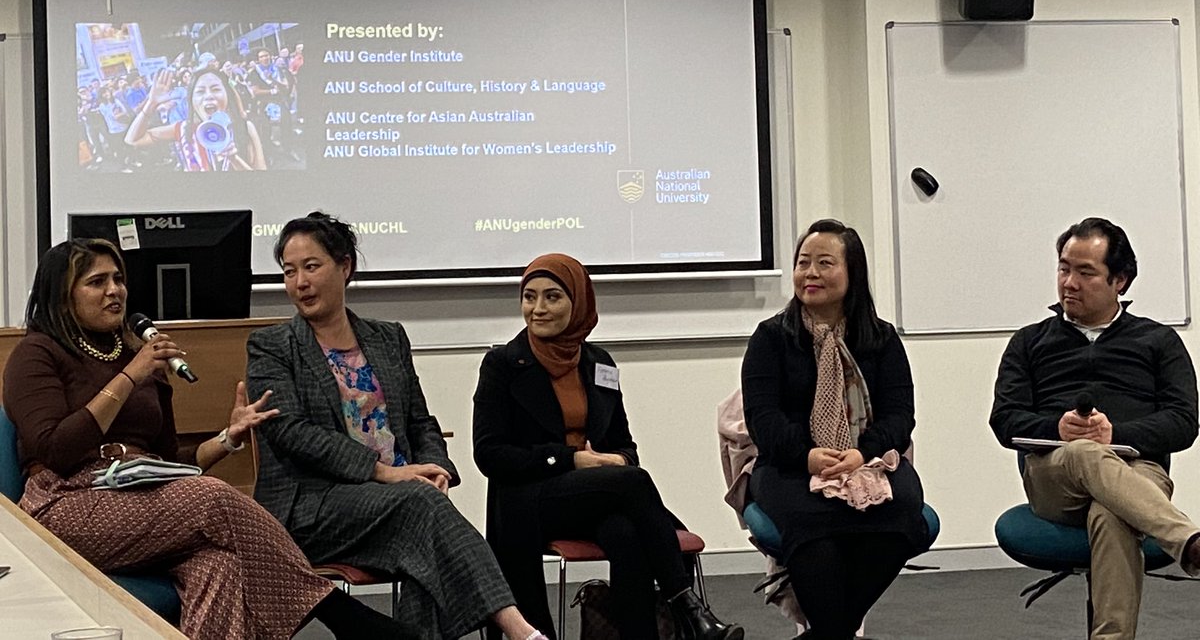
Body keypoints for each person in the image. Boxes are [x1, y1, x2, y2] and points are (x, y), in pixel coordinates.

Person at [2, 238, 417, 640]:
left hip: (140, 491)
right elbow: (53, 449)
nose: (115, 291)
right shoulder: (38, 353)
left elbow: (167, 462)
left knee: (219, 567)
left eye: (119, 279)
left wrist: (227, 438)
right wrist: (129, 377)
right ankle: (340, 614)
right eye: (97, 282)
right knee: (213, 499)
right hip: (66, 503)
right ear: (62, 295)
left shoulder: (138, 356)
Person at [246, 212, 547, 640]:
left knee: (422, 542)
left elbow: (420, 419)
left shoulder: (388, 337)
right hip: (312, 507)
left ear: (344, 266)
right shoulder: (271, 346)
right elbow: (291, 432)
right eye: (289, 272)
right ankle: (520, 630)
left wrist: (435, 466)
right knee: (419, 510)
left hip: (395, 504)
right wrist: (386, 473)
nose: (299, 283)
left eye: (311, 267)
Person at [473, 253, 743, 640]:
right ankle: (687, 606)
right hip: (528, 499)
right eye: (529, 297)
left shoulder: (600, 363)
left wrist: (615, 459)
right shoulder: (502, 364)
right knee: (632, 484)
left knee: (625, 532)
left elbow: (624, 447)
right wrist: (571, 459)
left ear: (579, 301)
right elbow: (489, 454)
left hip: (593, 495)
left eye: (552, 297)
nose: (537, 309)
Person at [990, 217, 1200, 640]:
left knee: (1112, 511)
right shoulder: (1029, 342)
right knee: (1085, 453)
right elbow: (1005, 418)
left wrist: (1115, 435)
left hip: (1138, 471)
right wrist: (1057, 428)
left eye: (1086, 273)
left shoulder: (1158, 341)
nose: (1069, 282)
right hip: (1055, 477)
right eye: (1064, 268)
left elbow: (1184, 422)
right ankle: (1188, 542)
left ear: (1119, 280)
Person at [741, 219, 928, 640]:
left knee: (905, 512)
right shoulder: (770, 339)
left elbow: (900, 416)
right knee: (813, 524)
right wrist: (806, 454)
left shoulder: (881, 339)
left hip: (868, 460)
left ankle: (827, 633)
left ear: (852, 273)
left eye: (825, 263)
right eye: (803, 262)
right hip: (790, 465)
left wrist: (863, 453)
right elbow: (763, 419)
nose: (810, 273)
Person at [125, 65, 266, 171]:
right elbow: (133, 140)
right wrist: (151, 103)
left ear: (227, 95)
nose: (208, 96)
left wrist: (233, 159)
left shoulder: (245, 128)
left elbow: (261, 183)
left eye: (216, 89)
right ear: (192, 101)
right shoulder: (183, 129)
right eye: (200, 91)